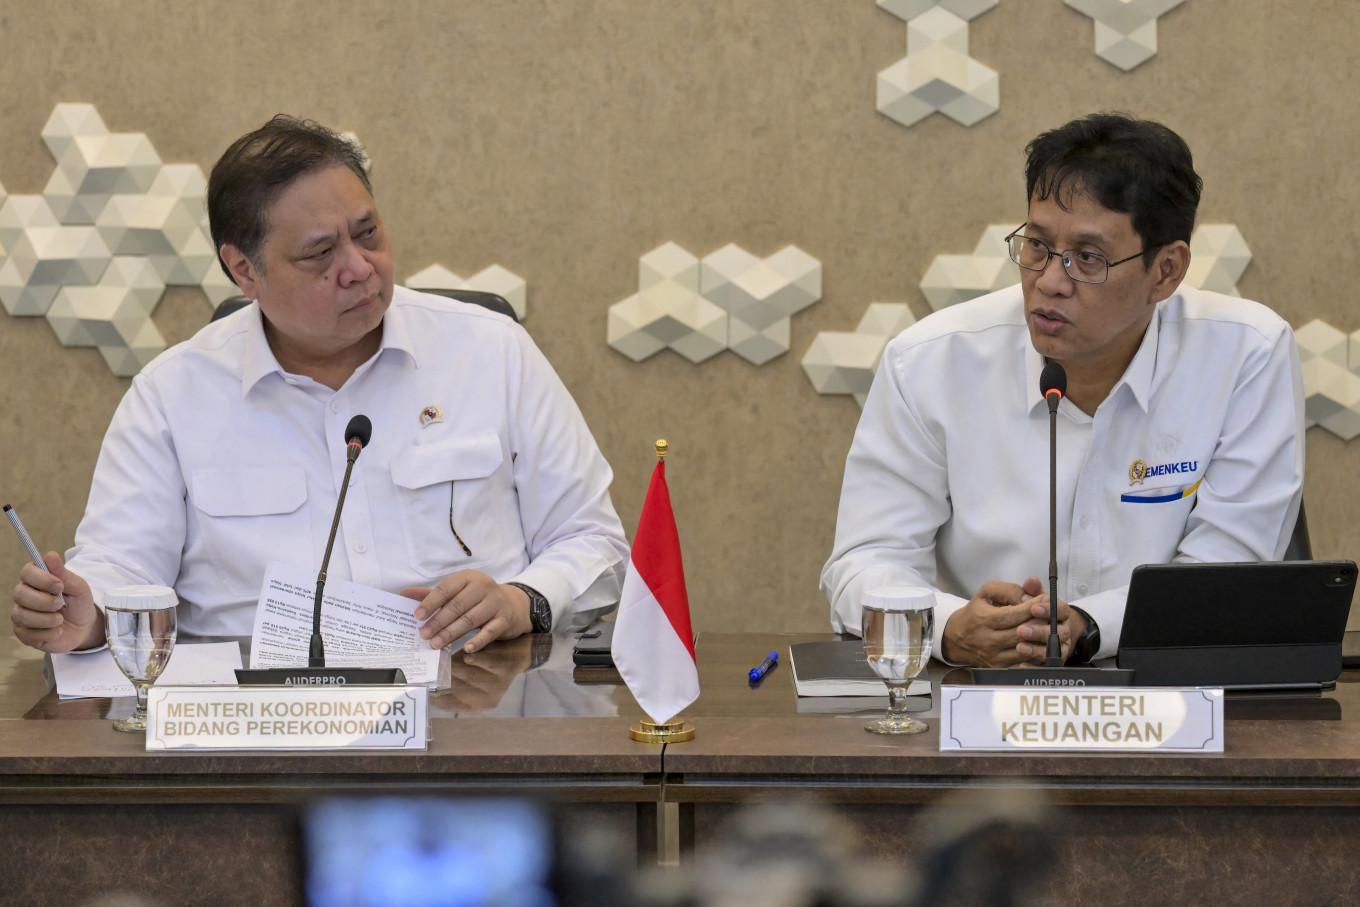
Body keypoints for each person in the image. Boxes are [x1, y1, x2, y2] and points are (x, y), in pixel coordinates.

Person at [11, 115, 629, 656]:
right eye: (319, 254)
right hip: (255, 729)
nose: (359, 269)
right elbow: (122, 566)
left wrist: (525, 599)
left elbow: (594, 543)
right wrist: (83, 613)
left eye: (368, 234)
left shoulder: (492, 352)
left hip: (471, 705)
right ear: (244, 269)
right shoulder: (172, 396)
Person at [822, 113, 1304, 667]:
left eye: (1088, 258)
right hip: (974, 703)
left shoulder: (1247, 355)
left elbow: (1228, 570)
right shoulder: (929, 362)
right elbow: (865, 560)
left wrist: (1092, 625)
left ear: (1165, 271)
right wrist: (947, 628)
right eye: (1037, 246)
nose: (1050, 280)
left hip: (1169, 699)